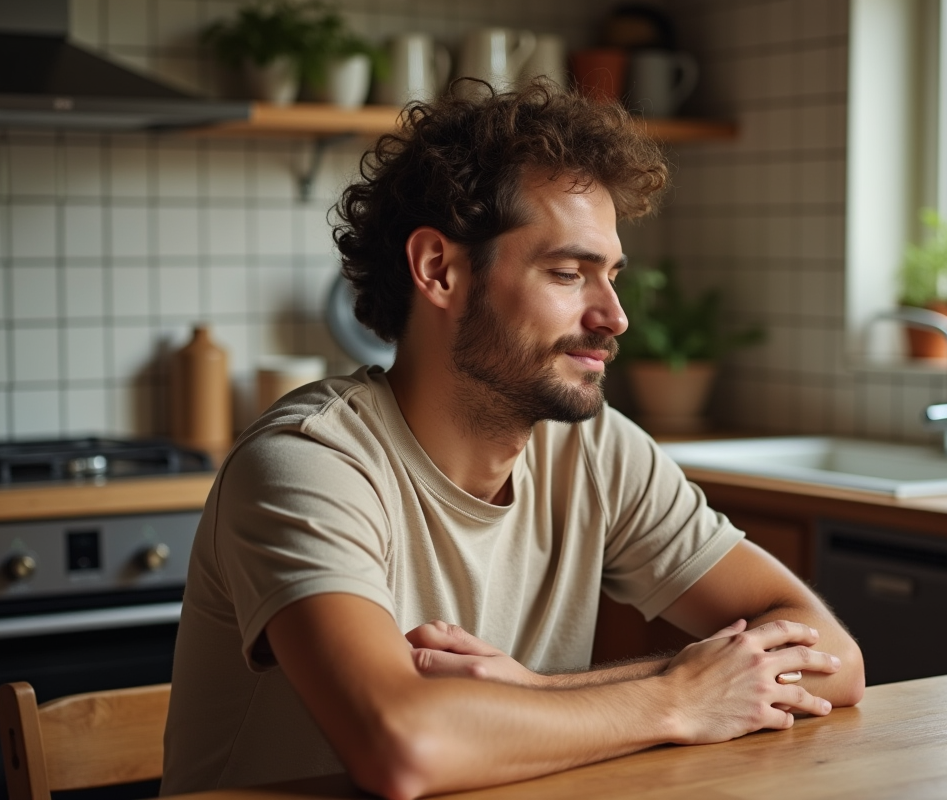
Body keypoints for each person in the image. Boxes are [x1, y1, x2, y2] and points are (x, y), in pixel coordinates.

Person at [161, 83, 865, 800]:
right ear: (439, 269)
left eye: (612, 276)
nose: (615, 316)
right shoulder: (311, 464)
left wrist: (537, 692)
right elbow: (403, 748)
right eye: (568, 273)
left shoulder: (598, 454)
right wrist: (678, 698)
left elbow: (835, 657)